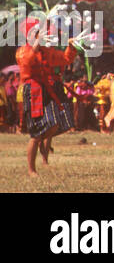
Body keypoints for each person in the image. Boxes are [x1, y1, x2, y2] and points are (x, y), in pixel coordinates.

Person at [16, 17, 78, 176]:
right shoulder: (22, 51)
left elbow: (65, 59)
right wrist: (37, 45)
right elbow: (27, 62)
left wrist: (71, 46)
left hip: (46, 88)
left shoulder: (46, 51)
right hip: (33, 90)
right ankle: (32, 169)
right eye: (38, 32)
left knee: (54, 123)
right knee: (36, 133)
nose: (43, 34)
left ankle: (43, 144)